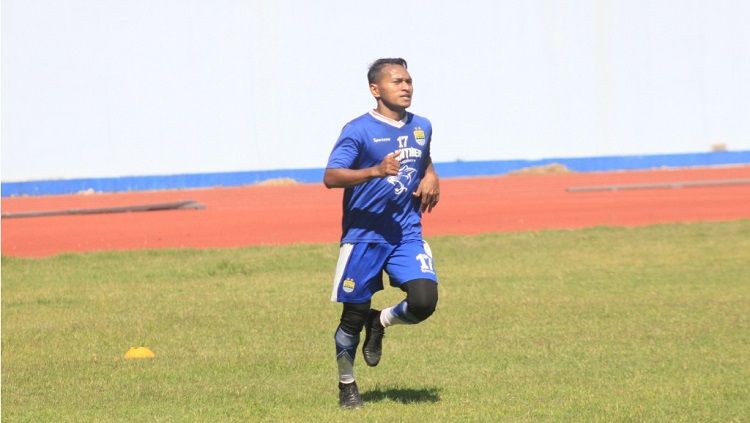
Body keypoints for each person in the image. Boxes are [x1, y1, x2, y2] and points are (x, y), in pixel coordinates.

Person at [324, 57, 440, 409]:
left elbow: (423, 156)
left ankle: (382, 320)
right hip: (364, 236)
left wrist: (432, 174)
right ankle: (347, 385)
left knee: (423, 302)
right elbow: (331, 177)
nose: (406, 87)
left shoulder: (422, 125)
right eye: (397, 82)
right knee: (351, 318)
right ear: (376, 90)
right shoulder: (358, 130)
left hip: (406, 231)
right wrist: (374, 171)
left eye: (408, 81)